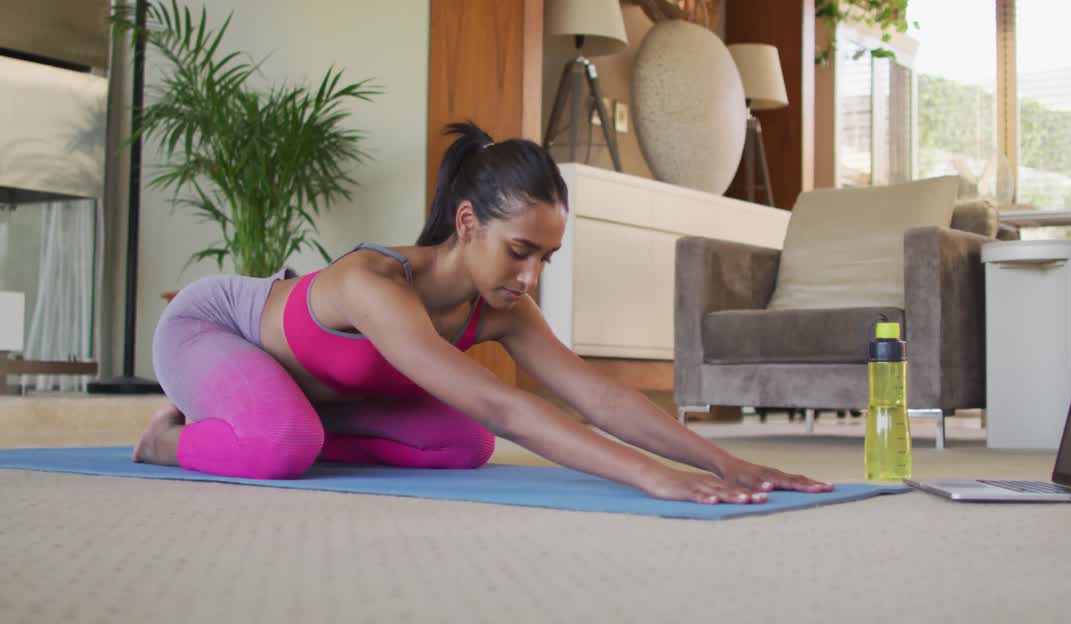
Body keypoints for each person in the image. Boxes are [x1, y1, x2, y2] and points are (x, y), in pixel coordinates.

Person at [134, 121, 833, 505]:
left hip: (324, 390)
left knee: (461, 445)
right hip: (214, 329)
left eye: (545, 259)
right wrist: (648, 477)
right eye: (520, 251)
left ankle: (299, 427)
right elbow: (508, 406)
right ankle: (167, 441)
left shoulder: (499, 305)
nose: (529, 278)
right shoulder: (374, 284)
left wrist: (725, 462)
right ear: (467, 223)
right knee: (279, 447)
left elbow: (593, 393)